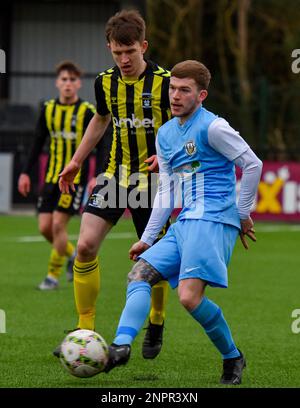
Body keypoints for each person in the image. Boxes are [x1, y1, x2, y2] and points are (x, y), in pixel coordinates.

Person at [103, 60, 263, 385]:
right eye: (172, 88)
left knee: (189, 298)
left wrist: (243, 213)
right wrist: (147, 238)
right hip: (186, 220)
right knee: (139, 273)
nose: (175, 96)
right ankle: (120, 346)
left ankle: (233, 358)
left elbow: (252, 164)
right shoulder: (165, 134)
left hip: (214, 218)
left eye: (184, 90)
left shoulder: (213, 127)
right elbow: (168, 190)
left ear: (201, 95)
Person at [57, 10, 171, 359]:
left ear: (143, 46)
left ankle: (156, 320)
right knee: (86, 246)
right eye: (116, 52)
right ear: (109, 48)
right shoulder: (104, 82)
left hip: (153, 183)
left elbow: (186, 125)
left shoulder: (167, 82)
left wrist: (167, 159)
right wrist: (76, 160)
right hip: (114, 175)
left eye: (130, 52)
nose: (123, 59)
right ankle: (85, 329)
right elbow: (100, 120)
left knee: (153, 260)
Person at [18, 60, 101, 290]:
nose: (68, 84)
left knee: (57, 226)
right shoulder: (48, 109)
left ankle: (52, 276)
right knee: (45, 228)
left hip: (75, 180)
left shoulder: (87, 112)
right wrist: (25, 173)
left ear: (79, 84)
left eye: (72, 80)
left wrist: (99, 174)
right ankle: (73, 254)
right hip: (51, 177)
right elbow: (37, 143)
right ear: (57, 83)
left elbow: (102, 143)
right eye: (64, 79)